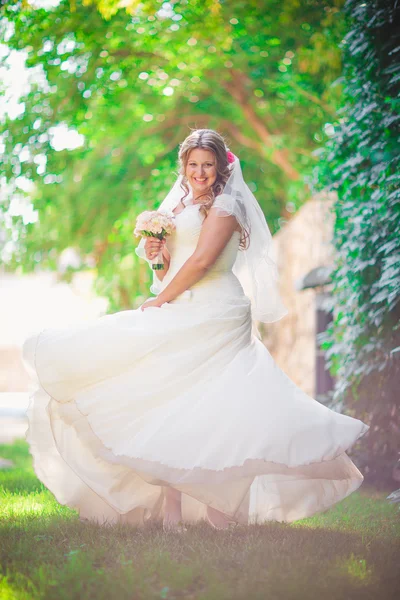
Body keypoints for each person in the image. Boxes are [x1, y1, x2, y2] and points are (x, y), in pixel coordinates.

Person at [22, 129, 369, 532]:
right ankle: (172, 514)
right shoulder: (183, 204)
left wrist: (160, 299)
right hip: (182, 303)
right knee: (172, 403)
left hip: (217, 310)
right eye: (193, 165)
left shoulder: (227, 204)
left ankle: (219, 509)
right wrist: (157, 259)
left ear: (221, 166)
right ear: (183, 167)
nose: (200, 172)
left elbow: (203, 262)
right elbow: (174, 265)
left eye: (208, 164)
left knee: (218, 410)